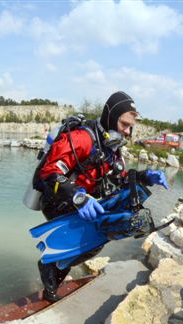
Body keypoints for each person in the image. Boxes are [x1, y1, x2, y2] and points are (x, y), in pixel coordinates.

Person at [33, 91, 169, 302]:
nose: (127, 131)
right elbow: (49, 174)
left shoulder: (111, 149)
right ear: (110, 117)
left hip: (84, 201)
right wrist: (78, 197)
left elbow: (119, 180)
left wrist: (145, 177)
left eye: (130, 126)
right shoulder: (81, 138)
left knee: (99, 239)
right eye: (124, 124)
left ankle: (57, 266)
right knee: (92, 237)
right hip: (57, 200)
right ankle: (50, 274)